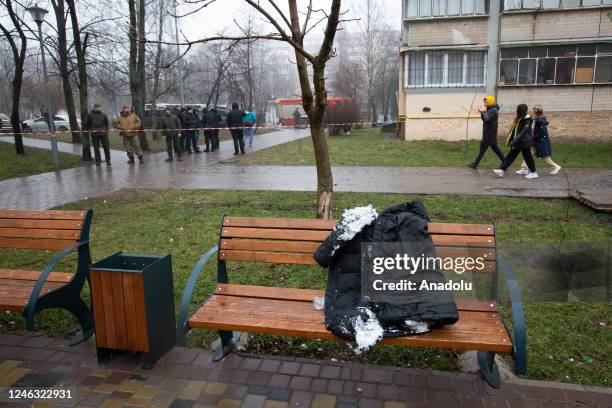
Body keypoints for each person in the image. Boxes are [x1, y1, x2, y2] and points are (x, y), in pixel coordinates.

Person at [493, 104, 537, 179]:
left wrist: (514, 141)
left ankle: (533, 172)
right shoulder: (520, 118)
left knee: (527, 157)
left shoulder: (527, 120)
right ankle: (502, 170)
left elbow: (522, 132)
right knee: (510, 156)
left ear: (521, 111)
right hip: (519, 142)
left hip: (524, 142)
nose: (516, 111)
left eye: (518, 109)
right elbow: (515, 130)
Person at [517, 105, 562, 176]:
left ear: (536, 111)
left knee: (545, 157)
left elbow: (542, 132)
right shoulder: (536, 119)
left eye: (533, 109)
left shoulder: (540, 121)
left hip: (540, 142)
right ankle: (524, 169)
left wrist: (533, 137)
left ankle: (556, 166)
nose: (532, 111)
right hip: (535, 142)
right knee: (528, 154)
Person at [468, 95, 505, 170]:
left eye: (486, 102)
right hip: (490, 133)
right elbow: (485, 119)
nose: (485, 104)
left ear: (490, 102)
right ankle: (505, 161)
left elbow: (487, 119)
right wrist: (483, 113)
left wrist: (482, 112)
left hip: (489, 134)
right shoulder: (491, 109)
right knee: (495, 148)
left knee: (483, 148)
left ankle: (475, 164)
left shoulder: (493, 110)